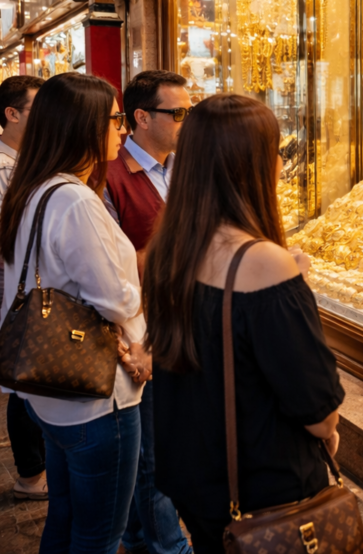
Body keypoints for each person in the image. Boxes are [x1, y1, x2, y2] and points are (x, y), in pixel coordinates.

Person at [144, 95, 344, 554]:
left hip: (195, 476)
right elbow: (319, 412)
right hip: (261, 494)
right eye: (273, 150)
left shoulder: (170, 248)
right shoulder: (262, 264)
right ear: (251, 164)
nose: (278, 161)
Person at [0, 72, 149, 552]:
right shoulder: (75, 200)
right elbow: (114, 298)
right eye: (114, 119)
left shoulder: (35, 188)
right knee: (100, 534)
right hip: (96, 396)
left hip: (54, 395)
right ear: (82, 126)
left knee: (64, 517)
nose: (122, 130)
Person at [104, 70, 193, 554]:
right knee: (154, 459)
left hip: (183, 327)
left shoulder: (185, 168)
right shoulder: (111, 179)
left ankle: (140, 538)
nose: (186, 121)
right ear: (141, 118)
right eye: (177, 113)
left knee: (167, 449)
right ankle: (169, 546)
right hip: (143, 336)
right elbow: (110, 271)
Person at [0, 75, 47, 502]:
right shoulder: (3, 169)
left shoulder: (28, 164)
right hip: (14, 294)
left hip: (22, 291)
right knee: (23, 383)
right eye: (39, 109)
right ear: (12, 115)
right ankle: (30, 475)